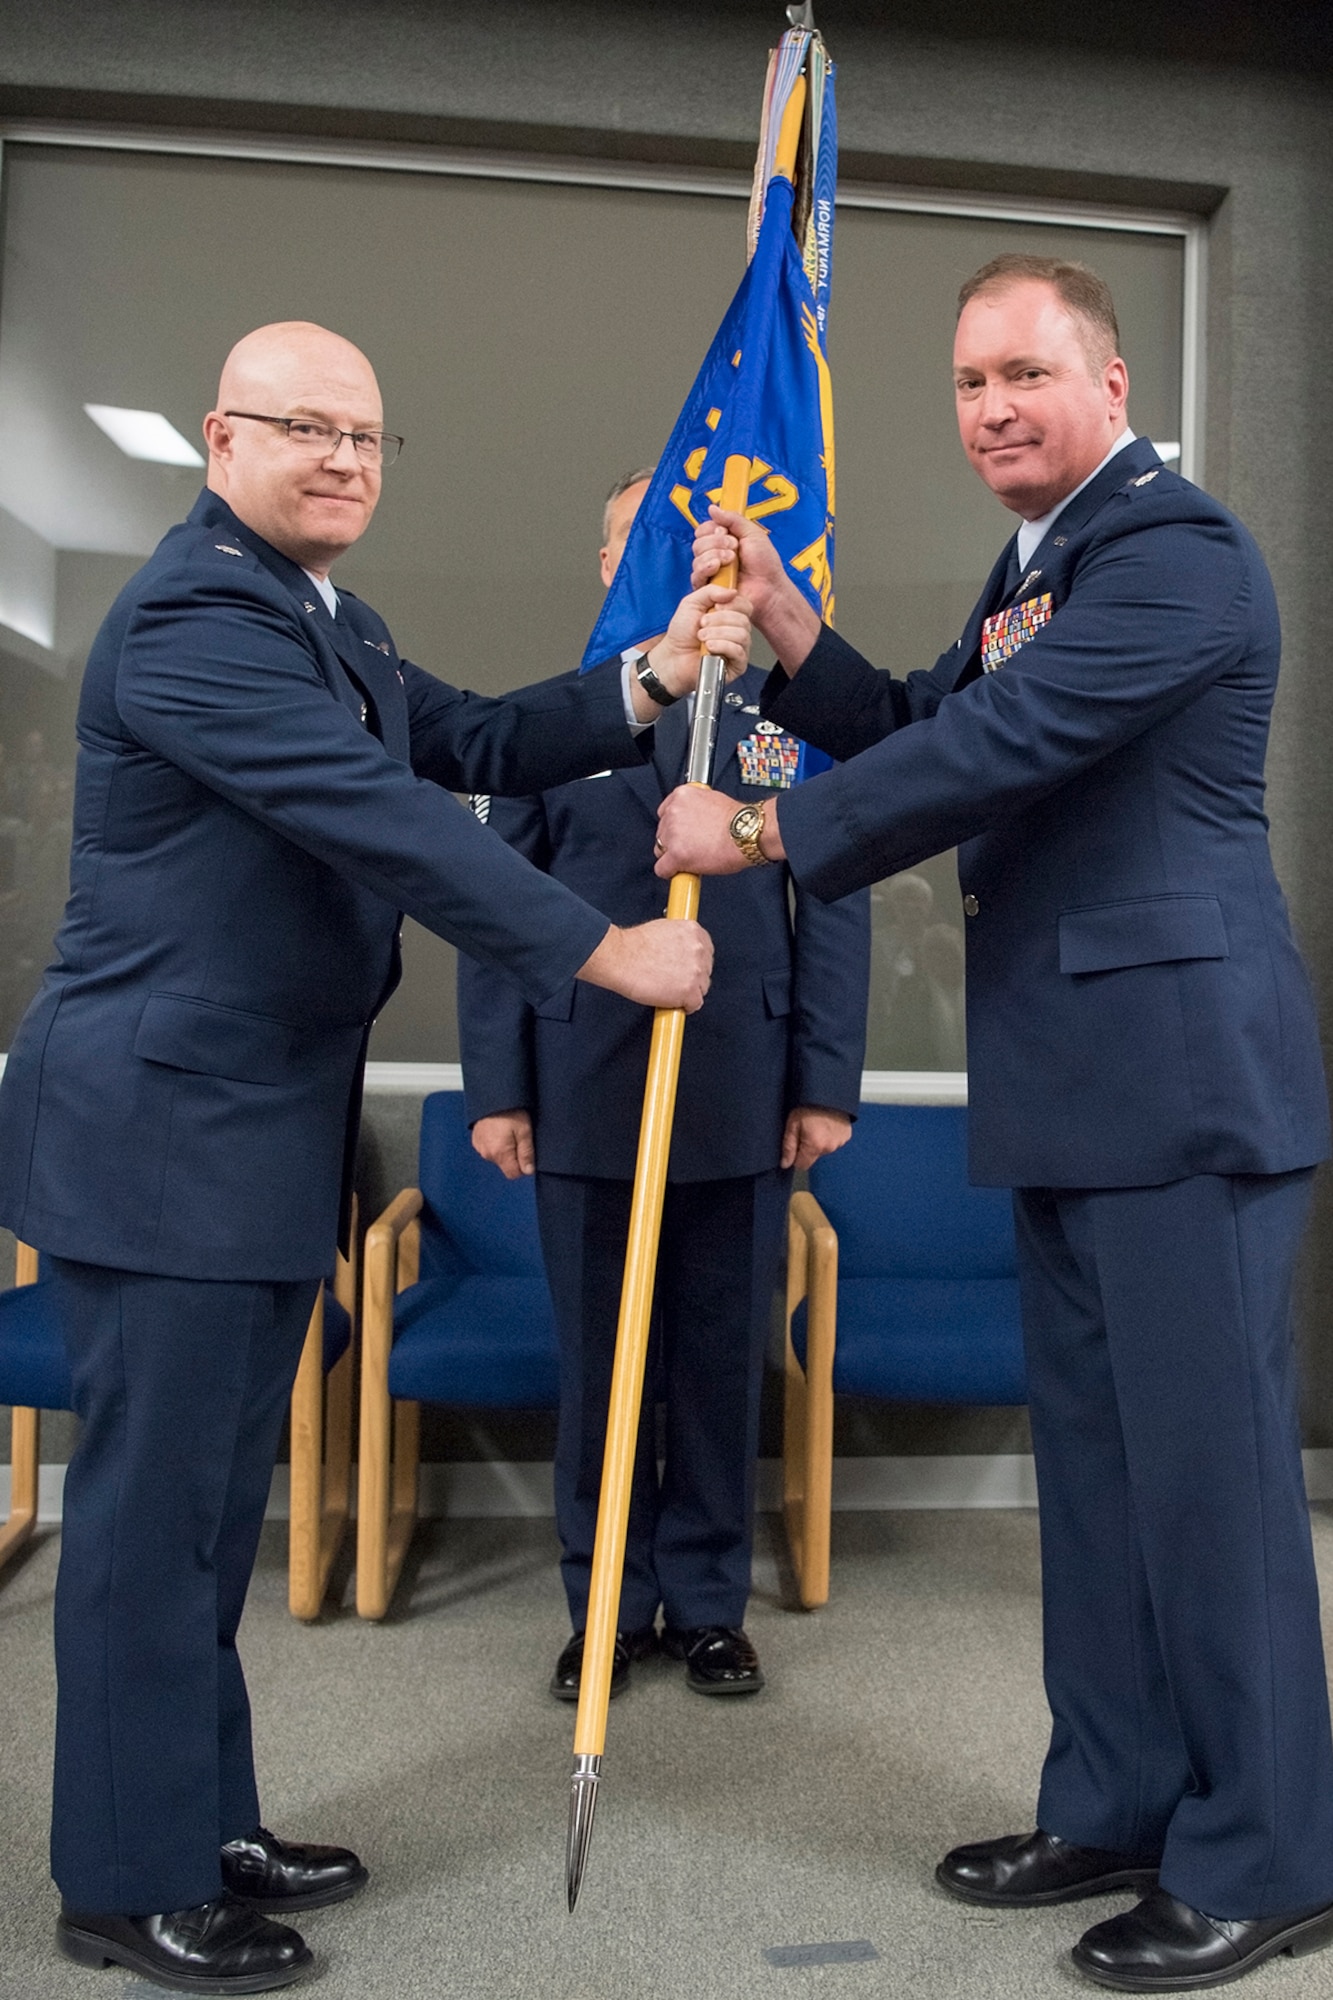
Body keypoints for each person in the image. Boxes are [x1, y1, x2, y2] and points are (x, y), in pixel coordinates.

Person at [0, 322, 747, 1996]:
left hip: (252, 1128)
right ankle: (126, 1884)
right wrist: (602, 951)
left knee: (203, 1518)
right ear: (218, 438)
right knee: (152, 1523)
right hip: (162, 1129)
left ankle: (204, 1822)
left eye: (365, 436)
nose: (341, 458)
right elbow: (383, 813)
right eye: (302, 428)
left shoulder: (326, 616)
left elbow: (472, 742)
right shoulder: (198, 616)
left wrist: (647, 680)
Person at [656, 255, 1333, 1992]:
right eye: (965, 383)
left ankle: (1265, 1855)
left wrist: (754, 838)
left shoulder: (1172, 553)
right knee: (1100, 1488)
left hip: (1179, 1089)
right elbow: (917, 726)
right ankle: (1109, 1801)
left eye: (1023, 374)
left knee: (1213, 1492)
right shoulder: (1037, 565)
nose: (990, 410)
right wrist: (798, 646)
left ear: (1108, 383)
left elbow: (1003, 744)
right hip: (1072, 1089)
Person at [458, 468, 869, 1701]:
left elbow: (832, 903)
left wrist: (825, 1082)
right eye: (635, 545)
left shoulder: (781, 730)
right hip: (582, 1083)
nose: (668, 562)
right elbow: (491, 912)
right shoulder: (555, 726)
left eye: (688, 546)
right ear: (604, 569)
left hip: (742, 1086)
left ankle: (704, 1602)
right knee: (600, 1364)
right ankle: (605, 1602)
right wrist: (497, 1089)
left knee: (716, 1355)